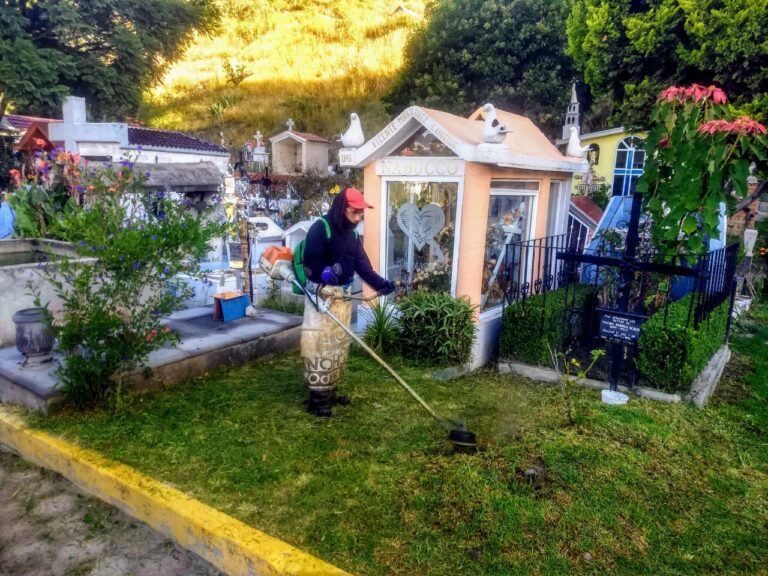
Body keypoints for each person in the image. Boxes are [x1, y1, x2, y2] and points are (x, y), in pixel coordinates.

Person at [300, 187, 395, 417]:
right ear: (341, 209)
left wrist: (381, 284)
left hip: (342, 298)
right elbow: (309, 264)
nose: (358, 217)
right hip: (322, 298)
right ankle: (318, 400)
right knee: (320, 348)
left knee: (337, 347)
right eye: (354, 212)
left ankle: (330, 392)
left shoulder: (352, 236)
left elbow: (363, 266)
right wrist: (323, 272)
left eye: (361, 213)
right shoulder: (320, 229)